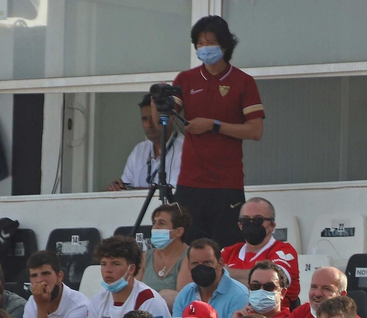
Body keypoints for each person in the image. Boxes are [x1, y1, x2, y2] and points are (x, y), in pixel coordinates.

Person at [171, 15, 265, 245]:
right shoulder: (185, 79)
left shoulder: (243, 81)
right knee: (187, 248)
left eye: (209, 43)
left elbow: (255, 130)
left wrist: (214, 125)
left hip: (227, 182)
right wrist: (158, 102)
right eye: (199, 44)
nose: (204, 48)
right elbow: (162, 119)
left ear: (224, 45)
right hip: (189, 182)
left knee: (228, 249)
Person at [111, 94, 184, 192]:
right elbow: (125, 190)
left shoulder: (185, 148)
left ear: (170, 118)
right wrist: (116, 188)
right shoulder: (139, 150)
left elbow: (175, 193)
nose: (149, 124)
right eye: (144, 119)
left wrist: (131, 191)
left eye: (153, 117)